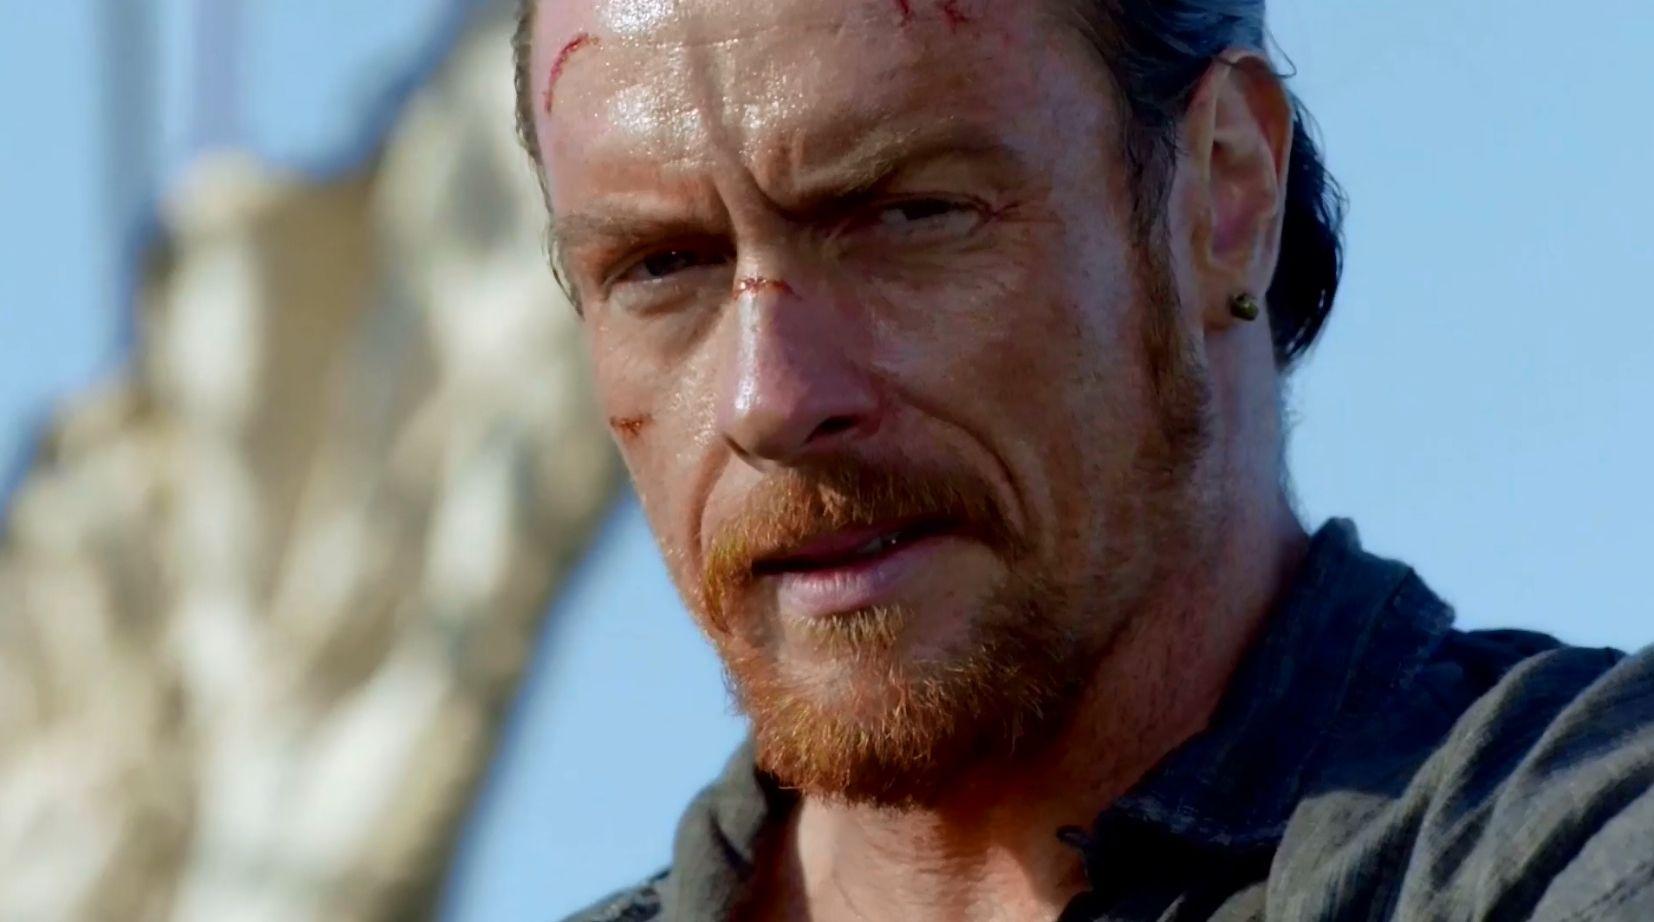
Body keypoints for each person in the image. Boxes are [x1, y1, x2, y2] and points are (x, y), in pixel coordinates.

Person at [511, 0, 1654, 918]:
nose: (769, 401)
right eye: (660, 266)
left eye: (910, 214)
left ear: (1225, 189)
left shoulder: (1582, 848)